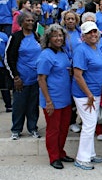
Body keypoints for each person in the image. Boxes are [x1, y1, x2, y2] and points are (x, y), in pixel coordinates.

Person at [72, 21, 102, 170]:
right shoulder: (81, 50)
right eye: (89, 33)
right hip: (85, 94)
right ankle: (82, 158)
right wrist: (88, 94)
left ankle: (91, 153)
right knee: (88, 125)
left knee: (92, 124)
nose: (93, 35)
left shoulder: (96, 47)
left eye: (95, 31)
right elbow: (78, 75)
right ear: (83, 36)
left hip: (94, 92)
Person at [36, 24, 74, 169]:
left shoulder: (63, 52)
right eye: (55, 36)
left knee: (64, 129)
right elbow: (41, 79)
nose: (58, 38)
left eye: (60, 35)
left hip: (65, 99)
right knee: (53, 130)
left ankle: (61, 152)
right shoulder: (45, 55)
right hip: (53, 100)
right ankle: (54, 157)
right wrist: (48, 101)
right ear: (48, 38)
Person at [4, 11, 41, 140]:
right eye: (27, 20)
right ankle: (16, 130)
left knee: (33, 106)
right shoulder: (15, 37)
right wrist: (16, 77)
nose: (30, 22)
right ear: (21, 22)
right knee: (19, 105)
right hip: (21, 79)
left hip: (36, 79)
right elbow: (8, 58)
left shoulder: (37, 36)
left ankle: (33, 128)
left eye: (32, 20)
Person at [61, 10, 82, 133]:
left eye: (72, 19)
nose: (70, 21)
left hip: (80, 68)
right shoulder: (62, 34)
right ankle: (71, 122)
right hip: (68, 69)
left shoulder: (80, 33)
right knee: (69, 96)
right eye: (68, 19)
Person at [0, 30, 12, 112]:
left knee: (4, 86)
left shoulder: (3, 36)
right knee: (4, 87)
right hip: (2, 65)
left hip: (2, 65)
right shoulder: (3, 35)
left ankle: (8, 105)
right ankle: (8, 105)